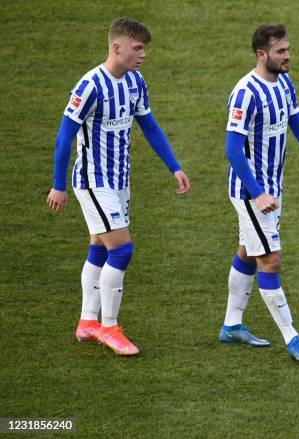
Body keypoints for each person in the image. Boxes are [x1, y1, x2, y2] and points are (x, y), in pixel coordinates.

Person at [47, 18, 191, 356]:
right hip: (94, 182)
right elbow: (64, 138)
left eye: (144, 49)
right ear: (117, 47)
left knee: (99, 246)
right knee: (122, 250)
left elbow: (150, 126)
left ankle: (86, 322)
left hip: (119, 181)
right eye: (138, 48)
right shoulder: (90, 86)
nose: (143, 55)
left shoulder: (136, 82)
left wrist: (174, 166)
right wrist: (58, 185)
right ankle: (109, 327)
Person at [220, 24, 299, 362]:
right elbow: (233, 149)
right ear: (262, 54)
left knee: (249, 251)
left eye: (288, 49)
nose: (288, 55)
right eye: (280, 51)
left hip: (272, 190)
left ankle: (232, 325)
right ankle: (292, 338)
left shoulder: (284, 83)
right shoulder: (246, 93)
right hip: (251, 193)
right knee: (270, 259)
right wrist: (258, 193)